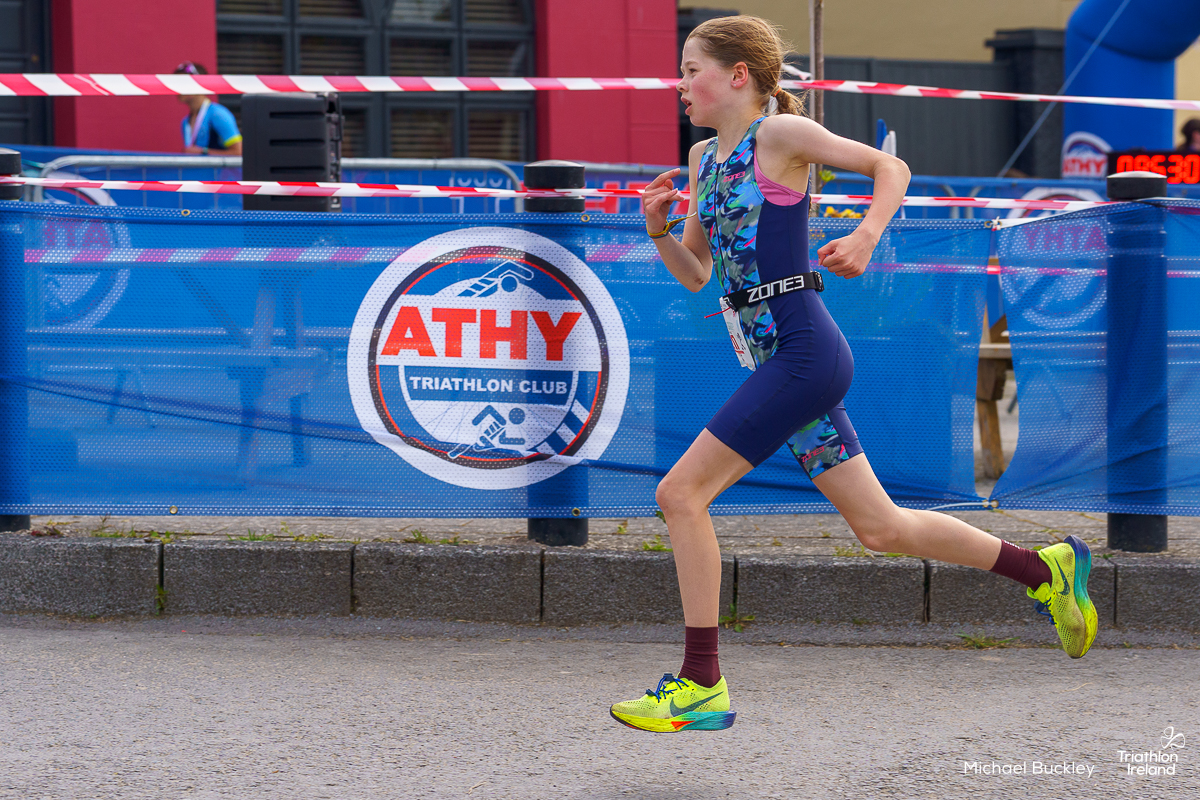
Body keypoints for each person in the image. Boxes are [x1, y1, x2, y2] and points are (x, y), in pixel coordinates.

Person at [608, 15, 1098, 734]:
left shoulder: (779, 136)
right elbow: (697, 274)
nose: (678, 84)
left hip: (804, 350)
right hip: (778, 358)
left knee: (680, 494)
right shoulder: (701, 159)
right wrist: (656, 227)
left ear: (737, 75)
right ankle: (1045, 569)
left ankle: (701, 683)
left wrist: (867, 234)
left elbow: (891, 169)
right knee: (881, 528)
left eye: (690, 69)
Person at [174, 62, 243, 156]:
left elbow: (239, 152)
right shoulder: (185, 122)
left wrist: (203, 152)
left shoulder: (218, 114)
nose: (176, 87)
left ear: (198, 84)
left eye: (182, 83)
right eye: (174, 83)